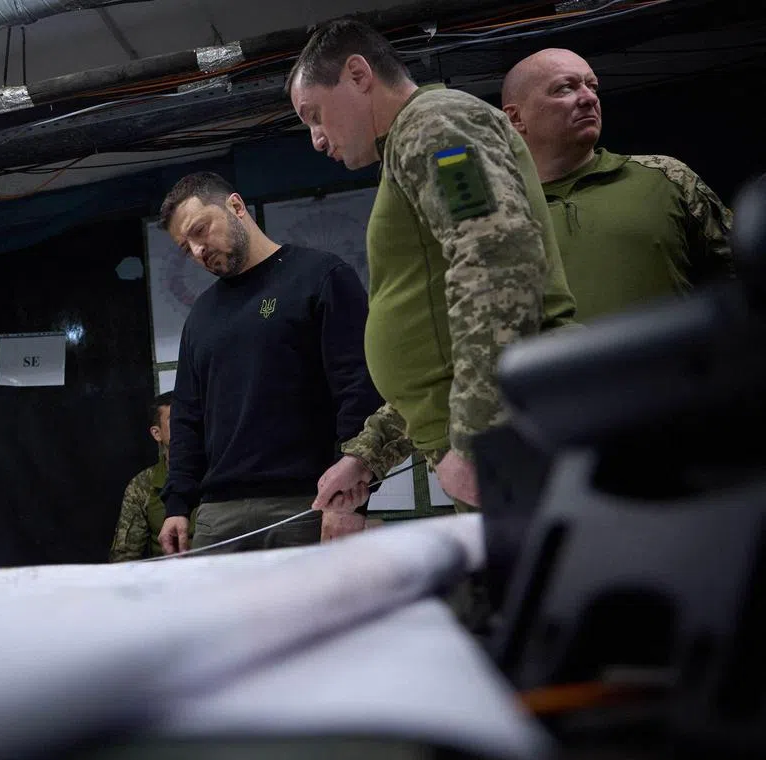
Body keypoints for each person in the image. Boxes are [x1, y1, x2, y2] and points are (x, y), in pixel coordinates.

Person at [288, 18, 577, 514]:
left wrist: (475, 436)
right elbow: (438, 350)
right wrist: (369, 455)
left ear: (358, 75)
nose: (316, 139)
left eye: (314, 114)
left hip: (505, 437)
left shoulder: (436, 124)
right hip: (497, 433)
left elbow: (494, 260)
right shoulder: (412, 141)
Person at [157, 171, 383, 555]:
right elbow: (187, 418)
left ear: (236, 206)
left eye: (200, 230)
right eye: (185, 247)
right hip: (217, 515)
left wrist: (350, 500)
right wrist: (177, 504)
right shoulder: (201, 317)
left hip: (306, 505)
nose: (197, 251)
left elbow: (359, 390)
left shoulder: (320, 277)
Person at [501, 48, 734, 322]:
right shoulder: (500, 216)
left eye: (592, 86)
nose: (589, 98)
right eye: (565, 88)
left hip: (679, 362)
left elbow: (743, 275)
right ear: (516, 118)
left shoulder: (665, 177)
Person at [109, 392, 192, 561]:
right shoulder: (143, 485)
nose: (186, 426)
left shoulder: (218, 473)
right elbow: (125, 556)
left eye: (190, 419)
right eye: (175, 421)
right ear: (157, 433)